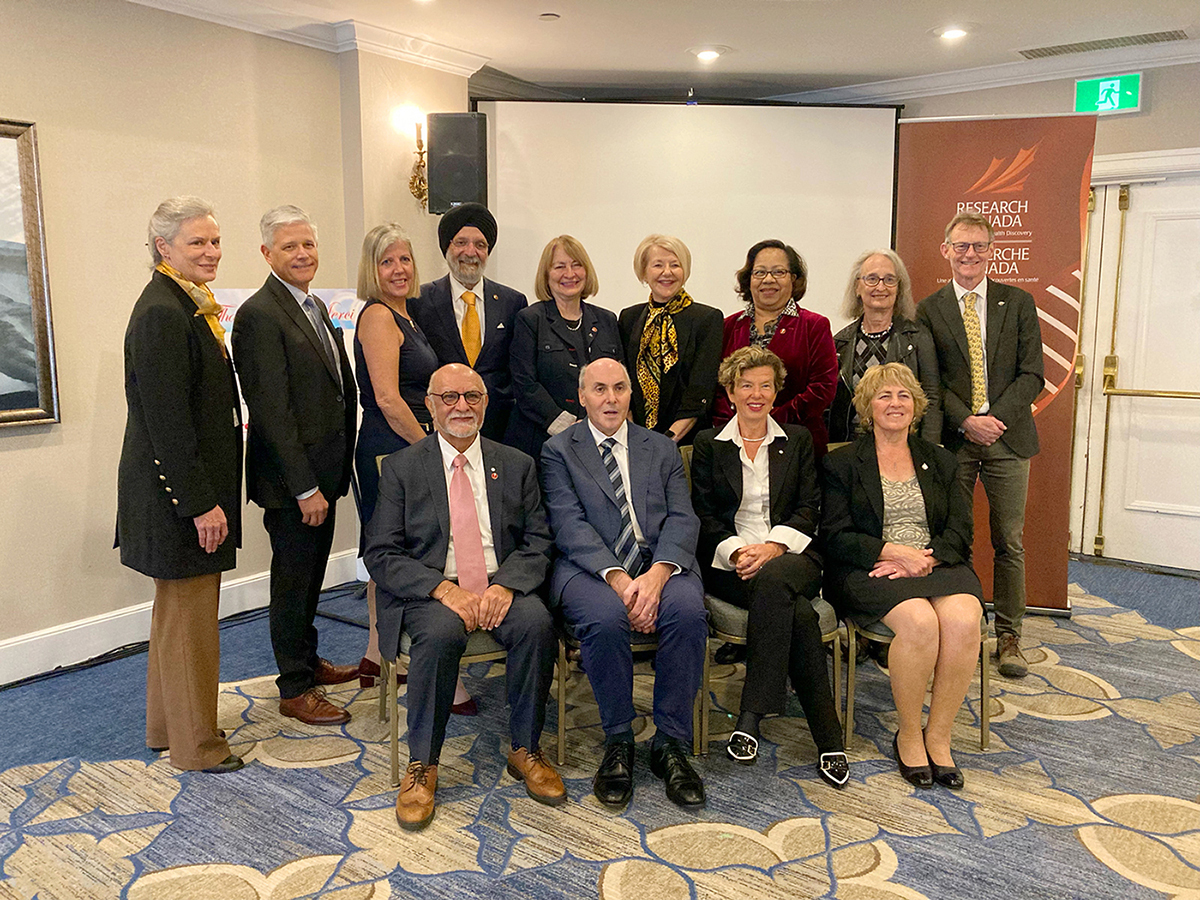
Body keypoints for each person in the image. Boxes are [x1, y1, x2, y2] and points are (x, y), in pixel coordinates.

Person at [364, 364, 564, 831]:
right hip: (433, 590)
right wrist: (441, 588)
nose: (461, 406)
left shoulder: (516, 464)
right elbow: (382, 552)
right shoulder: (402, 467)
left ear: (486, 404)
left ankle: (525, 748)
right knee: (438, 635)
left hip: (501, 583)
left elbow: (539, 541)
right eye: (449, 397)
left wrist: (507, 585)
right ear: (430, 406)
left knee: (537, 624)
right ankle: (423, 765)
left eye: (472, 396)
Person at [541, 358, 709, 809]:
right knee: (604, 617)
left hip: (660, 564)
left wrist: (656, 576)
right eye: (599, 389)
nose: (610, 398)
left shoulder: (662, 447)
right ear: (582, 397)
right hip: (589, 569)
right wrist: (618, 578)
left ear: (630, 395)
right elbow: (568, 525)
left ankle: (670, 743)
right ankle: (619, 740)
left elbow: (682, 517)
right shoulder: (558, 450)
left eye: (619, 388)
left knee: (689, 612)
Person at [116, 196, 243, 774]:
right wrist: (200, 504)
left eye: (215, 240)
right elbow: (168, 423)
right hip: (183, 499)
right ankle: (198, 747)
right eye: (198, 242)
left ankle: (166, 728)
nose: (212, 251)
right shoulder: (165, 312)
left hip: (181, 495)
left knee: (174, 615)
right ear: (164, 248)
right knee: (192, 624)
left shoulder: (179, 301)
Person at [821, 363, 985, 790]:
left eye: (903, 396)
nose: (895, 404)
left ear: (916, 407)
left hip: (936, 564)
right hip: (870, 568)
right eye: (884, 396)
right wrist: (890, 551)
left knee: (965, 620)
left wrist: (923, 559)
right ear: (866, 406)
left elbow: (960, 532)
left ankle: (940, 734)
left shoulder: (941, 460)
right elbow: (835, 535)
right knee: (919, 623)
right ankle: (909, 733)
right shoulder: (841, 463)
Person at [690, 347, 848, 788]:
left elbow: (807, 508)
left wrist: (774, 547)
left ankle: (751, 716)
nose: (756, 394)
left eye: (765, 385)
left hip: (794, 557)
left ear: (777, 391)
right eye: (746, 385)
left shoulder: (796, 439)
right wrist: (741, 552)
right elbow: (704, 515)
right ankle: (828, 737)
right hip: (733, 565)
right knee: (795, 612)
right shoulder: (709, 444)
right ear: (730, 391)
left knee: (776, 581)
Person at [231, 205, 360, 727]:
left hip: (322, 475)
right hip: (294, 484)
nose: (303, 254)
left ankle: (306, 662)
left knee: (310, 579)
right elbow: (272, 411)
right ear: (267, 254)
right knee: (292, 580)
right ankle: (294, 686)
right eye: (289, 247)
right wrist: (305, 486)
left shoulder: (313, 306)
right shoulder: (260, 315)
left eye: (308, 244)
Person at [915, 213, 1045, 679]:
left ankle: (1009, 635)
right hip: (954, 440)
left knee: (1009, 541)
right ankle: (960, 629)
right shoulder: (929, 309)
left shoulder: (1019, 302)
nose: (970, 254)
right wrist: (966, 419)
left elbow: (1033, 373)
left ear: (992, 251)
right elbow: (928, 381)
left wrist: (996, 420)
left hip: (1009, 440)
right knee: (954, 537)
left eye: (979, 246)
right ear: (945, 249)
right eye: (961, 246)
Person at [410, 203, 527, 441]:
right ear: (447, 248)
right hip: (444, 430)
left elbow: (518, 370)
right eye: (461, 243)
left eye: (480, 244)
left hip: (500, 430)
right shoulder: (419, 301)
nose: (471, 252)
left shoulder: (512, 302)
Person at [713, 239, 838, 458]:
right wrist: (736, 423)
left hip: (797, 443)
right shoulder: (728, 326)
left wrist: (768, 420)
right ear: (748, 279)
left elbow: (823, 388)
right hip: (736, 443)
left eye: (779, 272)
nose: (768, 280)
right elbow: (718, 386)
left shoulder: (814, 325)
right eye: (759, 272)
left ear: (794, 279)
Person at [504, 234, 622, 459]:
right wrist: (569, 427)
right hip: (542, 443)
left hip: (599, 443)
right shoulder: (529, 320)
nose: (570, 274)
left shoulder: (607, 320)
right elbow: (525, 384)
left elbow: (619, 381)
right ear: (547, 275)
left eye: (576, 265)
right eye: (559, 266)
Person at [618, 234, 723, 445]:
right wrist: (633, 435)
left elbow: (701, 388)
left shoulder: (707, 319)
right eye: (658, 265)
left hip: (686, 441)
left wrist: (667, 440)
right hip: (635, 440)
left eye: (675, 265)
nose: (667, 272)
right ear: (644, 272)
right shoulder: (629, 318)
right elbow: (623, 379)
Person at [829, 249, 941, 444]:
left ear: (899, 288)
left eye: (889, 280)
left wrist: (929, 450)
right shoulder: (840, 343)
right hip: (851, 448)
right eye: (871, 278)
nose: (880, 287)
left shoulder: (918, 338)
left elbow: (932, 398)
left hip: (904, 445)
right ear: (857, 287)